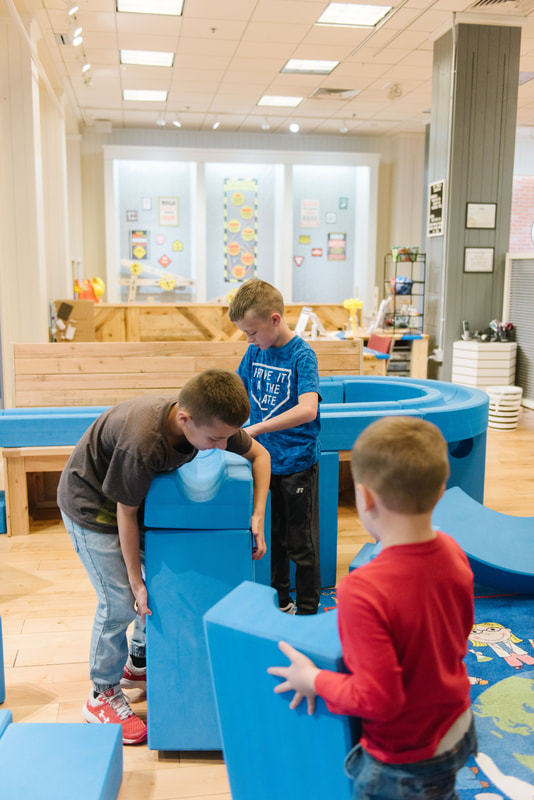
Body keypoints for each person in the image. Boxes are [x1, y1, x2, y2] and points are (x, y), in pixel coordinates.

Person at [268, 416, 477, 800]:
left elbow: (379, 699)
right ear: (441, 490)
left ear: (364, 499)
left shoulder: (362, 589)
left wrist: (312, 680)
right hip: (457, 724)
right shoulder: (454, 551)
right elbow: (458, 634)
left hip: (404, 759)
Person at [58, 369, 270, 745]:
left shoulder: (211, 421)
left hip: (129, 503)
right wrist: (136, 583)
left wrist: (257, 515)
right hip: (92, 507)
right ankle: (101, 693)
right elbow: (123, 513)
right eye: (215, 439)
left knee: (160, 584)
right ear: (186, 419)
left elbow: (261, 454)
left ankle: (137, 662)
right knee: (121, 601)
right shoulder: (143, 442)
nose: (223, 446)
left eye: (226, 437)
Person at [229, 279, 321, 615]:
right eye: (245, 334)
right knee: (273, 539)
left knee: (300, 543)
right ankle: (281, 601)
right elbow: (236, 390)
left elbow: (308, 408)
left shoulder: (301, 355)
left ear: (275, 319)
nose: (249, 340)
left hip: (296, 463)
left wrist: (257, 427)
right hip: (263, 462)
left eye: (252, 332)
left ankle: (310, 610)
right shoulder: (254, 351)